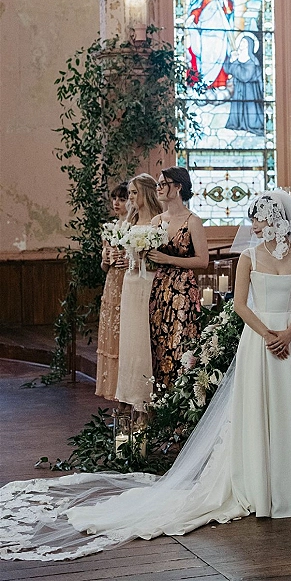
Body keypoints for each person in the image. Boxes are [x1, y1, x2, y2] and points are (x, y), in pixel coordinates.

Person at [0, 190, 291, 562]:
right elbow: (239, 305)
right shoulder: (249, 258)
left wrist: (288, 333)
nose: (252, 227)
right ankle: (261, 484)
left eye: (257, 219)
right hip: (260, 341)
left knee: (289, 412)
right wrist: (270, 334)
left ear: (274, 219)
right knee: (258, 411)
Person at [147, 167, 209, 389]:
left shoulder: (193, 221)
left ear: (179, 186)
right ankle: (159, 403)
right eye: (158, 185)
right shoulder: (156, 221)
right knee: (159, 343)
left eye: (164, 184)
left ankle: (181, 403)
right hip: (160, 290)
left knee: (181, 344)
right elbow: (151, 257)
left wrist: (168, 259)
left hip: (183, 290)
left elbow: (203, 261)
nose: (159, 189)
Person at [115, 174, 162, 415]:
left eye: (134, 192)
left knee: (145, 338)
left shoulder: (158, 221)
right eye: (130, 193)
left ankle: (147, 397)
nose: (131, 197)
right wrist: (124, 259)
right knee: (131, 339)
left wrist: (146, 256)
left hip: (149, 282)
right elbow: (125, 253)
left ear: (146, 193)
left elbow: (160, 257)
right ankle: (129, 394)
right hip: (131, 282)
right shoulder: (129, 222)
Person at [95, 183, 129, 401]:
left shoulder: (134, 227)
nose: (116, 203)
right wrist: (106, 259)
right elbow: (104, 266)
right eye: (114, 198)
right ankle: (115, 395)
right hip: (112, 284)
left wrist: (125, 258)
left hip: (128, 283)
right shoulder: (110, 228)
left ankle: (126, 392)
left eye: (122, 198)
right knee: (111, 335)